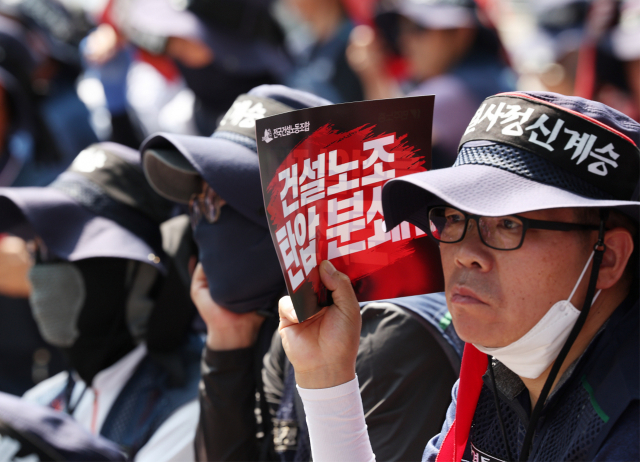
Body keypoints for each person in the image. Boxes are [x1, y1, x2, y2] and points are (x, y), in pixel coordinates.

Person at [278, 91, 639, 461]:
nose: (466, 254)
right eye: (453, 219)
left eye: (509, 225)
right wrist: (327, 376)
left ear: (608, 258)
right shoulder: (493, 364)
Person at [140, 84, 464, 461]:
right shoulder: (282, 320)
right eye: (196, 204)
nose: (200, 226)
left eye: (218, 200)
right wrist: (226, 343)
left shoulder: (380, 333)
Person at [0, 142, 202, 461]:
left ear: (143, 274)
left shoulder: (194, 404)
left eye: (72, 249)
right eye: (38, 249)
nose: (43, 269)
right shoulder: (42, 399)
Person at [347, 0, 514, 168]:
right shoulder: (483, 72)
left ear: (462, 32)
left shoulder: (466, 86)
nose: (405, 40)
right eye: (401, 30)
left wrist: (374, 75)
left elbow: (386, 151)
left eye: (418, 28)